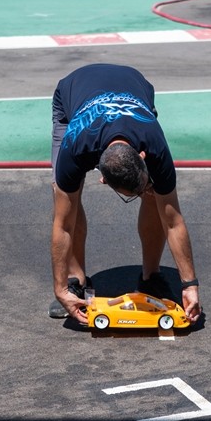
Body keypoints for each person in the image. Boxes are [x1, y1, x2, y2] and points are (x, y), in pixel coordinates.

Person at [50, 63, 201, 326]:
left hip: (134, 83)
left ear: (143, 156)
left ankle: (150, 276)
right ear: (103, 179)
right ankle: (77, 281)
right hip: (72, 92)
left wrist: (190, 284)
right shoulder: (75, 147)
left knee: (157, 197)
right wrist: (59, 287)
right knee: (66, 198)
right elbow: (63, 225)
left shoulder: (153, 144)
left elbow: (173, 220)